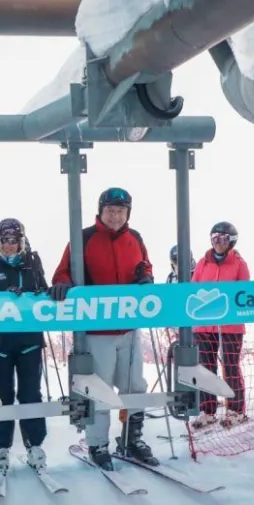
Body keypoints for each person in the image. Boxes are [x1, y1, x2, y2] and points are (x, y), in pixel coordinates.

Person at [49, 186, 158, 468]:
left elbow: (144, 266)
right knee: (100, 389)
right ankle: (98, 444)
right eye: (111, 210)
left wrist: (146, 277)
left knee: (135, 386)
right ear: (101, 211)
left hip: (129, 328)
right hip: (98, 331)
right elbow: (63, 270)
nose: (116, 216)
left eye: (121, 211)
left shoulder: (135, 238)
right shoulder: (83, 238)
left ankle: (132, 438)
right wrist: (62, 283)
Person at [0, 218, 49, 474]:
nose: (9, 246)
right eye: (4, 241)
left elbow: (45, 293)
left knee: (30, 393)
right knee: (1, 397)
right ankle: (2, 446)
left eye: (13, 240)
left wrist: (34, 293)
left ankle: (35, 445)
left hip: (28, 342)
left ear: (21, 240)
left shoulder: (32, 265)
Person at [189, 222, 251, 430]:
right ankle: (208, 411)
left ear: (231, 241)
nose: (218, 242)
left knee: (230, 366)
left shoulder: (239, 264)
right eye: (215, 237)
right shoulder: (202, 264)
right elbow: (193, 290)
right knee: (206, 368)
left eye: (223, 238)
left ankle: (236, 410)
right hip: (204, 326)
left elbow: (243, 294)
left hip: (229, 325)